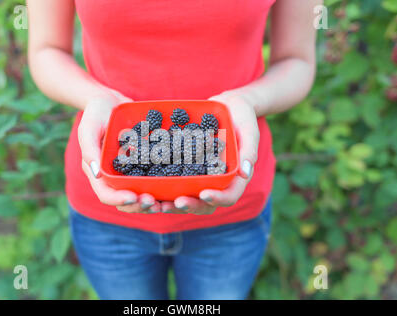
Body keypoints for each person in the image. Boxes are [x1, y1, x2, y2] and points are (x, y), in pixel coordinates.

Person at [27, 0, 319, 299]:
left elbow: (296, 61)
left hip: (231, 212)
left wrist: (249, 100)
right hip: (108, 211)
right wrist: (95, 98)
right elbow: (47, 50)